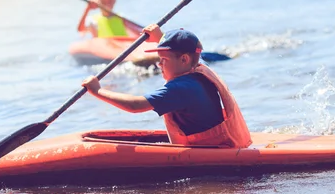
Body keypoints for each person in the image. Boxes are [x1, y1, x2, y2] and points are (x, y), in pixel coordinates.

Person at [81, 25, 252, 148]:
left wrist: (97, 91)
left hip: (211, 150)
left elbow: (135, 105)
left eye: (163, 60)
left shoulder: (182, 88)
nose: (159, 65)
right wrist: (161, 38)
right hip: (222, 142)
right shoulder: (200, 67)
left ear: (184, 59)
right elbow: (182, 52)